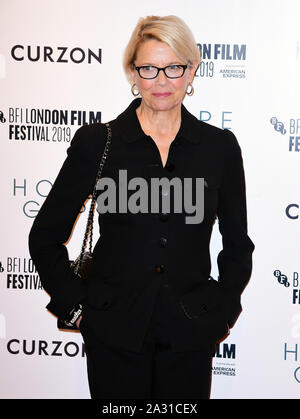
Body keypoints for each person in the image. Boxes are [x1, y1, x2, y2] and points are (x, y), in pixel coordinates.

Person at [29, 15, 255, 399]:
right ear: (132, 71)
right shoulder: (99, 143)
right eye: (149, 68)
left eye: (173, 67)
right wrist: (81, 310)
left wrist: (222, 310)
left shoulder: (219, 148)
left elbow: (237, 245)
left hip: (190, 335)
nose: (162, 80)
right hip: (113, 334)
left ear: (192, 70)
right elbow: (45, 236)